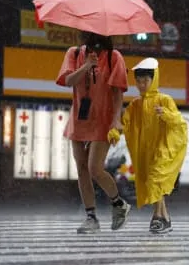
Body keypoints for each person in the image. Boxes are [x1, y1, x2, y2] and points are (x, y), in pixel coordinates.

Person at [56, 32, 130, 234]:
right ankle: (91, 217)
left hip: (103, 120)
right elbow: (68, 81)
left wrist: (116, 120)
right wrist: (86, 66)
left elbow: (118, 93)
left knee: (94, 168)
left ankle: (118, 204)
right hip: (79, 118)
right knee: (81, 169)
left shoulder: (113, 57)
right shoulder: (74, 53)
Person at [121, 57, 188, 234]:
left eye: (146, 80)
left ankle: (158, 217)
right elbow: (125, 122)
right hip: (145, 151)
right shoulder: (135, 104)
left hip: (163, 149)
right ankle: (164, 218)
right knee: (152, 182)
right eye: (139, 81)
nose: (142, 85)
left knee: (155, 179)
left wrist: (165, 114)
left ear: (154, 79)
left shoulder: (164, 100)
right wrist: (114, 132)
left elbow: (179, 123)